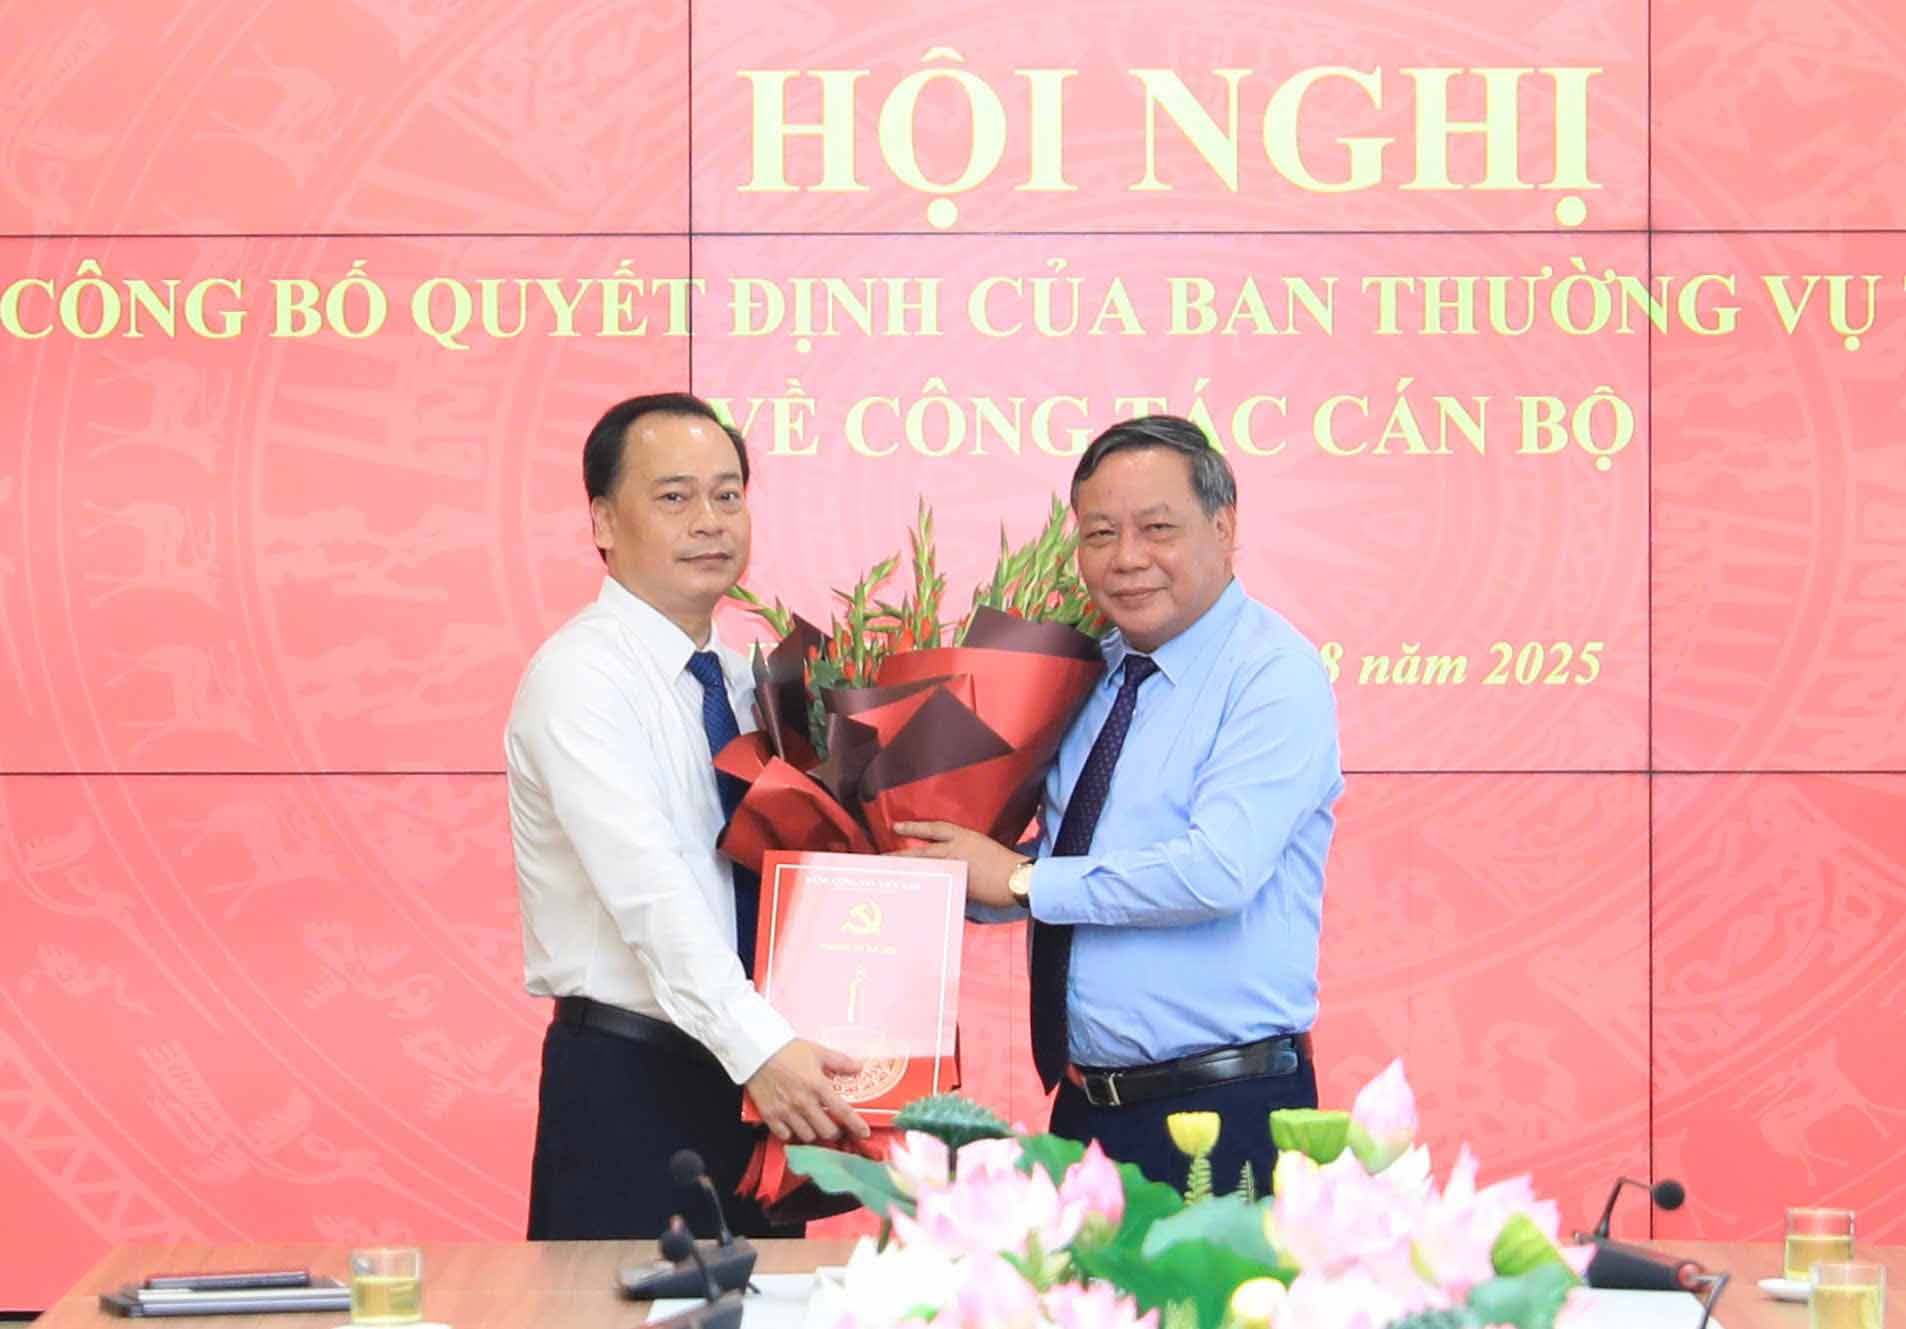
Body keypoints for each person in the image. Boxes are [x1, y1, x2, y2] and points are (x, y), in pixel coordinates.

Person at [897, 414, 1343, 1193]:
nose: (1127, 557)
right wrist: (932, 865)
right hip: (1086, 1108)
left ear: (1224, 526)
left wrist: (1022, 880)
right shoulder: (1085, 675)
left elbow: (1216, 871)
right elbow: (1068, 863)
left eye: (1157, 528)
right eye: (1100, 533)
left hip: (1225, 1109)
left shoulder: (1273, 674)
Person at [506, 391, 869, 1241]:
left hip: (761, 1081)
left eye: (727, 494)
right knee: (620, 1304)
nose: (709, 520)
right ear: (603, 520)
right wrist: (761, 1047)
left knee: (770, 1303)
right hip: (634, 1080)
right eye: (674, 496)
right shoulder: (580, 678)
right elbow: (650, 893)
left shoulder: (749, 684)